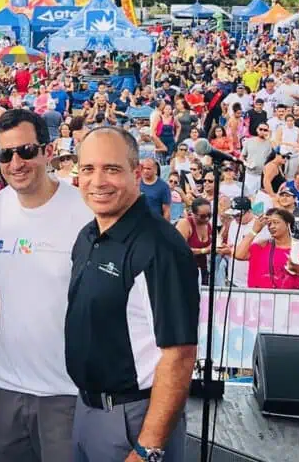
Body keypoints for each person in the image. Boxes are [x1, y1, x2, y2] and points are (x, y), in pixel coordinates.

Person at [66, 127, 199, 462]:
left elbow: (180, 354)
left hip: (133, 419)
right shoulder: (87, 235)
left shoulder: (161, 248)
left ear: (137, 174)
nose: (98, 181)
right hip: (87, 410)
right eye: (88, 169)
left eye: (111, 169)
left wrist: (148, 448)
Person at [0, 109, 93, 462]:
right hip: (6, 384)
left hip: (67, 390)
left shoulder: (85, 211)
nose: (16, 163)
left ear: (48, 150)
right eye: (5, 154)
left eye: (26, 151)